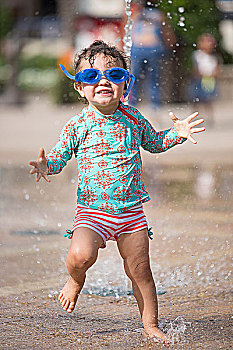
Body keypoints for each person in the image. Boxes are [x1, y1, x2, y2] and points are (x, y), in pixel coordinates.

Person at [29, 40, 205, 343]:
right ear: (79, 87)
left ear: (127, 83)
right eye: (91, 76)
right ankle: (75, 279)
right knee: (80, 256)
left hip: (131, 212)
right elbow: (60, 156)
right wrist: (47, 166)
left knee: (140, 272)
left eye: (114, 75)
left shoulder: (134, 118)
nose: (103, 81)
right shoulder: (77, 125)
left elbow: (153, 143)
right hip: (92, 212)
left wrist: (176, 134)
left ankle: (150, 324)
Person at [130, 0, 176, 108]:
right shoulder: (155, 14)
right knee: (148, 78)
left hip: (144, 48)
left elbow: (165, 30)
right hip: (149, 48)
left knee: (143, 78)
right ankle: (148, 104)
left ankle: (139, 104)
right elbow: (166, 31)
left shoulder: (145, 14)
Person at [190, 33, 221, 127]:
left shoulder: (214, 57)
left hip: (210, 80)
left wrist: (213, 74)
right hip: (200, 80)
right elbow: (195, 68)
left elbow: (217, 69)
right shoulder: (197, 55)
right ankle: (194, 117)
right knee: (197, 99)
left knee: (208, 99)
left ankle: (210, 118)